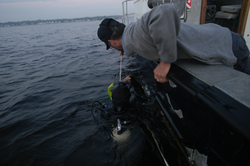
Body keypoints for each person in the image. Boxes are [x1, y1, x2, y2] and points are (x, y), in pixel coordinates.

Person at [97, 3, 250, 83]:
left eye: (110, 46)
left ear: (112, 42)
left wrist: (165, 60)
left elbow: (166, 11)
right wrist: (125, 49)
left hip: (230, 44)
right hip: (221, 37)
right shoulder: (132, 33)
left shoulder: (135, 35)